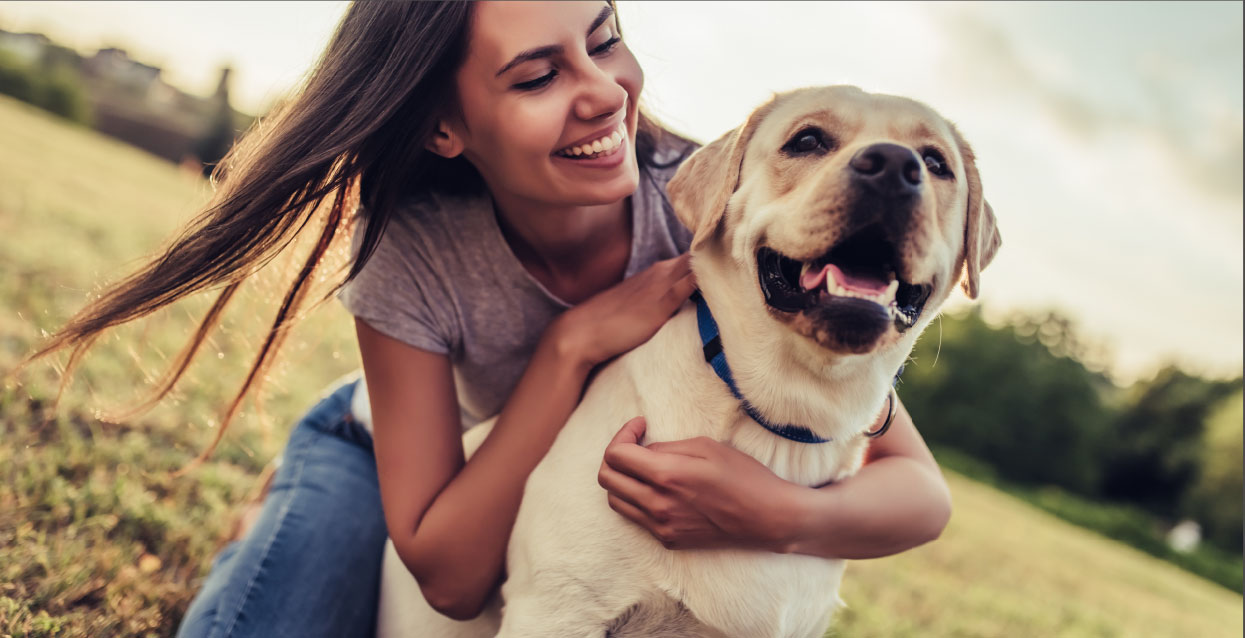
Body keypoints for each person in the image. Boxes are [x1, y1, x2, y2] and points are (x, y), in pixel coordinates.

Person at [28, 2, 952, 636]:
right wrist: (570, 345)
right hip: (387, 459)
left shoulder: (720, 210)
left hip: (531, 492)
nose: (601, 93)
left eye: (603, 38)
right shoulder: (414, 253)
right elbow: (454, 573)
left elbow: (916, 485)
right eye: (537, 75)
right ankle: (273, 516)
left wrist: (778, 510)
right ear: (444, 127)